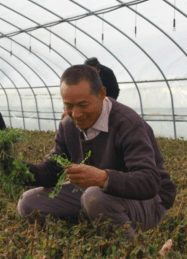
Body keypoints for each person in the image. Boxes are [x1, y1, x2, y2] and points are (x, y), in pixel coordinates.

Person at [18, 65, 176, 238]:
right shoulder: (68, 126)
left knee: (94, 198)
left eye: (82, 105)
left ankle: (130, 252)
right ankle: (86, 236)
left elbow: (149, 182)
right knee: (27, 203)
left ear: (101, 94)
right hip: (95, 194)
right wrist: (15, 169)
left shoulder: (127, 124)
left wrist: (103, 178)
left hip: (149, 200)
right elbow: (51, 171)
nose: (76, 114)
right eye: (68, 106)